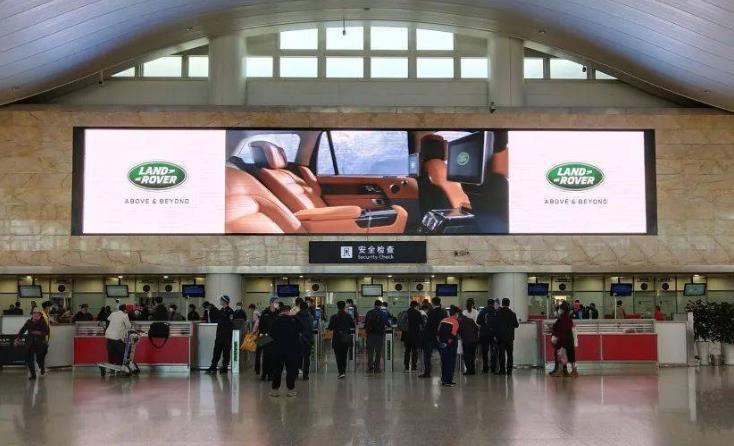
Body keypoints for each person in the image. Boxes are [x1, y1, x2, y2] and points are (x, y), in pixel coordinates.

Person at [268, 305, 303, 397]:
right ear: (289, 311)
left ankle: (275, 390)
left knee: (277, 370)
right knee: (291, 370)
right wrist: (295, 316)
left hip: (278, 350)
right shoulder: (293, 321)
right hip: (291, 350)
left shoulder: (275, 321)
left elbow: (271, 335)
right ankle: (290, 390)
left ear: (281, 311)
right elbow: (302, 328)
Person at [15, 307, 50, 380]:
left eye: (37, 314)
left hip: (40, 343)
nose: (35, 315)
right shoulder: (29, 322)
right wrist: (18, 338)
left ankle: (42, 367)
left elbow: (47, 332)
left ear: (40, 315)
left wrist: (39, 333)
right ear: (32, 314)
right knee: (29, 359)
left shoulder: (43, 322)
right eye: (34, 313)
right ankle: (33, 375)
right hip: (30, 343)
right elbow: (22, 330)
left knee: (39, 358)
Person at [205, 296, 234, 374]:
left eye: (221, 300)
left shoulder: (230, 311)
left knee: (226, 352)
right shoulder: (220, 310)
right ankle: (213, 366)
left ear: (225, 301)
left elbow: (230, 323)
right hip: (219, 335)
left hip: (226, 335)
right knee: (216, 351)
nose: (220, 301)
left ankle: (225, 367)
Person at [327, 300, 355, 379]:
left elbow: (330, 327)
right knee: (344, 355)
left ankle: (341, 372)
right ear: (344, 306)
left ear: (337, 307)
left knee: (338, 356)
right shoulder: (348, 316)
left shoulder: (334, 317)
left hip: (337, 338)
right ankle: (343, 371)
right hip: (345, 338)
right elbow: (352, 325)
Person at [419, 297, 445, 378]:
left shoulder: (431, 312)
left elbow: (428, 325)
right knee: (443, 355)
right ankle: (445, 372)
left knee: (427, 355)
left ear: (433, 303)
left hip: (429, 337)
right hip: (440, 336)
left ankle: (427, 373)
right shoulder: (444, 312)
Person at [550, 301, 578, 377]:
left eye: (560, 309)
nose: (559, 310)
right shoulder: (569, 319)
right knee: (571, 356)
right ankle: (574, 371)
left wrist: (556, 339)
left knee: (560, 356)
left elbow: (561, 330)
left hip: (563, 341)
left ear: (562, 310)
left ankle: (560, 371)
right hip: (570, 340)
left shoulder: (562, 319)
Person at [255, 298, 278, 379]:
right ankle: (264, 373)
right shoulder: (265, 313)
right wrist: (261, 334)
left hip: (274, 337)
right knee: (265, 356)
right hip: (265, 336)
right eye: (275, 302)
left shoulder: (277, 313)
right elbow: (261, 325)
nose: (277, 304)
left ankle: (271, 374)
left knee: (273, 356)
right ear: (271, 303)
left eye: (277, 302)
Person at [364, 300, 389, 374]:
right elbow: (387, 323)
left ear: (374, 305)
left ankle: (370, 367)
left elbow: (365, 324)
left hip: (370, 335)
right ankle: (377, 368)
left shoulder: (369, 312)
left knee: (370, 351)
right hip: (379, 335)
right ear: (380, 306)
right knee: (378, 352)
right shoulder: (383, 313)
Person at [437, 306, 460, 386]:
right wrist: (448, 343)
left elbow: (438, 331)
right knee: (450, 363)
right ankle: (448, 380)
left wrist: (441, 342)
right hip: (450, 345)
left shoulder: (443, 320)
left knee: (444, 362)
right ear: (456, 314)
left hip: (442, 344)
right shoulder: (455, 321)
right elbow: (453, 334)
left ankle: (444, 379)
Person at [495, 298, 519, 375]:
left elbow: (495, 325)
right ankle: (509, 371)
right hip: (509, 337)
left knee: (501, 354)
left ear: (502, 304)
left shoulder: (498, 313)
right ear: (509, 304)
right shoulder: (512, 314)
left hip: (501, 337)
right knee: (510, 355)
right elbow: (516, 325)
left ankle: (502, 370)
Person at [477, 299, 498, 373]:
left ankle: (485, 368)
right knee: (494, 351)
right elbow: (498, 322)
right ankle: (493, 368)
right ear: (493, 304)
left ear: (487, 303)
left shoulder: (483, 311)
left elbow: (478, 321)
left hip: (484, 334)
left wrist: (483, 324)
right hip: (493, 334)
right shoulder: (495, 311)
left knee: (485, 352)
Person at [296, 301, 314, 380]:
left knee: (297, 357)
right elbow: (311, 328)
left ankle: (296, 373)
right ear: (307, 307)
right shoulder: (310, 316)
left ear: (300, 307)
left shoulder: (296, 316)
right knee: (307, 358)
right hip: (308, 340)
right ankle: (305, 375)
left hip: (298, 340)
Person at [458, 306, 479, 375]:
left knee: (467, 356)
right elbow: (476, 328)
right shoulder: (470, 320)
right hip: (474, 340)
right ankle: (472, 370)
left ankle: (469, 370)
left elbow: (459, 331)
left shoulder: (460, 322)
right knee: (472, 355)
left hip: (466, 340)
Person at [403, 301, 423, 372]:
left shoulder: (406, 313)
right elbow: (421, 323)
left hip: (406, 335)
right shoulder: (418, 313)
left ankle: (406, 367)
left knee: (407, 351)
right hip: (415, 335)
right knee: (415, 351)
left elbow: (402, 323)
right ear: (415, 306)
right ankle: (414, 367)